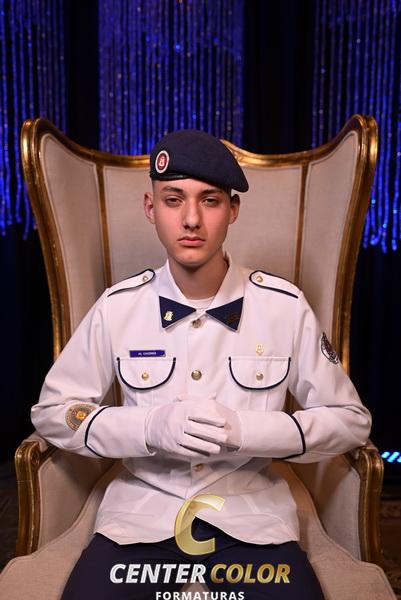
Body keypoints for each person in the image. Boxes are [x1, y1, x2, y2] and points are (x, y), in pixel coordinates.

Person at [31, 129, 371, 599]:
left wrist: (248, 431)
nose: (191, 219)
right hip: (140, 518)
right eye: (173, 200)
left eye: (209, 201)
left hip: (251, 519)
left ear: (233, 209)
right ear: (151, 208)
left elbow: (350, 421)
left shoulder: (284, 306)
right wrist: (148, 427)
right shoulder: (118, 307)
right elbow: (54, 412)